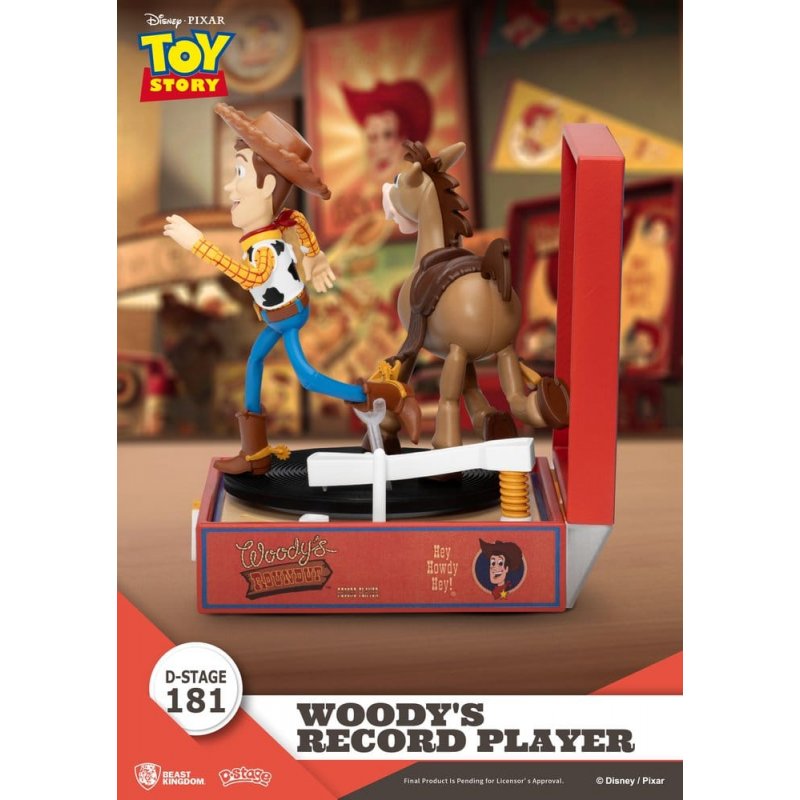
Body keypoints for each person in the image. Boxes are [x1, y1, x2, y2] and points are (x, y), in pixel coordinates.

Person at [164, 103, 419, 475]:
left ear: (267, 186)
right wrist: (314, 256)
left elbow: (250, 278)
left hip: (287, 316)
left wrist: (198, 244)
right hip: (276, 315)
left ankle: (389, 396)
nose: (229, 186)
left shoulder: (265, 247)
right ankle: (254, 452)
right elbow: (296, 219)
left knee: (308, 378)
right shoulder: (274, 228)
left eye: (239, 173)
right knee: (254, 363)